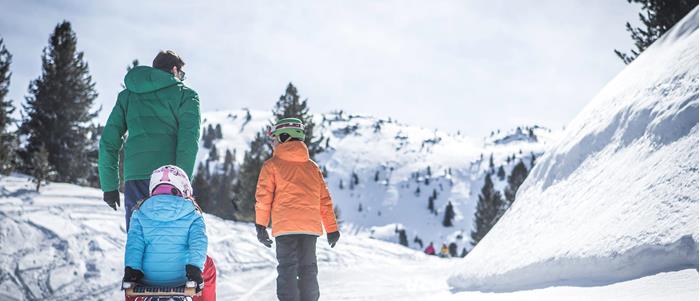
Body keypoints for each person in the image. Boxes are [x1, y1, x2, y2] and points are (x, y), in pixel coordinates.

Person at [98, 50, 200, 232]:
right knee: (169, 243)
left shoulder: (127, 96)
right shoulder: (186, 95)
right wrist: (183, 184)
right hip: (169, 180)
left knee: (138, 241)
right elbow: (188, 143)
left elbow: (108, 141)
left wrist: (109, 186)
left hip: (135, 178)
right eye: (181, 75)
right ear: (175, 70)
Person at [254, 118, 340, 301]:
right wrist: (332, 229)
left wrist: (261, 225)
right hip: (309, 229)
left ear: (285, 137)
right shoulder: (312, 167)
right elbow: (324, 201)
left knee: (287, 269)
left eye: (275, 138)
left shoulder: (272, 165)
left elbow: (263, 197)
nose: (273, 143)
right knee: (308, 269)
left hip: (285, 228)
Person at [122, 165, 216, 301]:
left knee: (130, 279)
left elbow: (134, 245)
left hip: (149, 280)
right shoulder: (193, 213)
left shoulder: (139, 212)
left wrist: (132, 270)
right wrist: (194, 269)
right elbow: (198, 242)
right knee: (208, 264)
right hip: (182, 278)